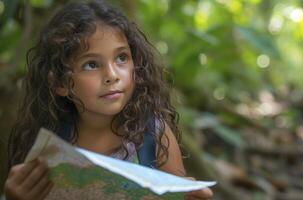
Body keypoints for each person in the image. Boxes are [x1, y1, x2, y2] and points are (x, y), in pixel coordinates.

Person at [4, 0, 213, 199]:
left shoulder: (153, 134)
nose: (112, 75)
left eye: (121, 58)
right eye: (91, 64)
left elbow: (179, 194)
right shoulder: (52, 143)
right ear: (60, 83)